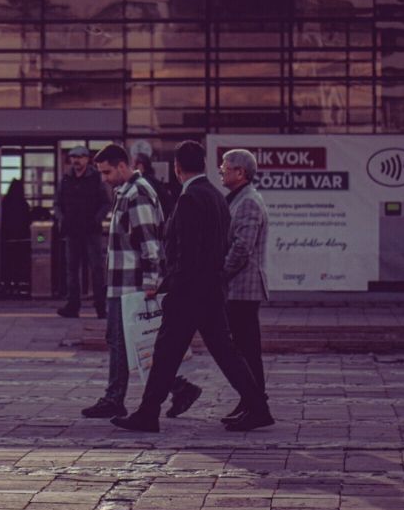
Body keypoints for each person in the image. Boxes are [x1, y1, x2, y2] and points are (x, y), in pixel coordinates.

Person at [112, 141, 273, 433]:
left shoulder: (190, 199)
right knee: (221, 352)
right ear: (204, 166)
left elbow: (185, 251)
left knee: (167, 352)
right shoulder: (216, 196)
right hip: (210, 289)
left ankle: (148, 413)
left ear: (177, 169)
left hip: (189, 292)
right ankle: (258, 406)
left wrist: (171, 285)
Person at [81, 145, 202, 420]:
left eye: (107, 172)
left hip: (132, 284)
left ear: (124, 166)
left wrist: (150, 282)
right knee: (127, 341)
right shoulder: (125, 193)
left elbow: (150, 243)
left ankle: (120, 397)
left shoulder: (138, 194)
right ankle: (173, 389)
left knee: (132, 342)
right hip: (121, 283)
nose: (104, 178)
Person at [219, 148, 271, 424]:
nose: (221, 171)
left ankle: (256, 404)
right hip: (239, 287)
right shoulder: (241, 198)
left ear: (240, 172)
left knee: (246, 348)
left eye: (225, 167)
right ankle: (249, 400)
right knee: (242, 347)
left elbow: (242, 248)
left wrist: (221, 274)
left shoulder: (248, 201)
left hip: (243, 287)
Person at [54, 146, 111, 319]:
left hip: (91, 231)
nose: (76, 160)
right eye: (73, 157)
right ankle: (73, 306)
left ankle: (101, 306)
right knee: (72, 269)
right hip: (72, 231)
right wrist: (61, 219)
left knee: (97, 268)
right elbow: (57, 203)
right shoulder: (65, 179)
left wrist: (97, 219)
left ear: (87, 159)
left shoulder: (95, 179)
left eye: (80, 157)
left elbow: (106, 203)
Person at [0, 179, 32, 295]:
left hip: (7, 237)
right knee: (19, 262)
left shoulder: (5, 202)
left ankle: (8, 284)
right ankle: (18, 284)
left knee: (8, 262)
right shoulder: (23, 203)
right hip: (21, 238)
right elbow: (27, 220)